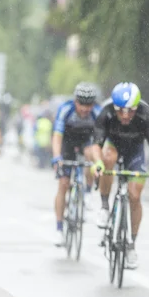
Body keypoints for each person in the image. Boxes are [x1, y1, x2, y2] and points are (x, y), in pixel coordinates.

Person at [91, 82, 149, 269]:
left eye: (130, 111)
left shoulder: (145, 114)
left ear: (137, 107)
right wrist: (97, 162)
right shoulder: (106, 112)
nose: (124, 115)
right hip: (113, 147)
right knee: (107, 158)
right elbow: (96, 146)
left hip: (135, 153)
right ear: (114, 107)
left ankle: (131, 244)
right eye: (120, 110)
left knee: (134, 196)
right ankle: (105, 206)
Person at [52, 83, 101, 246]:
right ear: (75, 102)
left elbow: (100, 142)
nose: (85, 108)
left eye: (89, 104)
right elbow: (57, 136)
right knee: (63, 184)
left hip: (87, 142)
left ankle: (87, 193)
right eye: (82, 104)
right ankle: (59, 229)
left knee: (89, 155)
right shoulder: (66, 110)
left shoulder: (97, 113)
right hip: (67, 142)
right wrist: (57, 157)